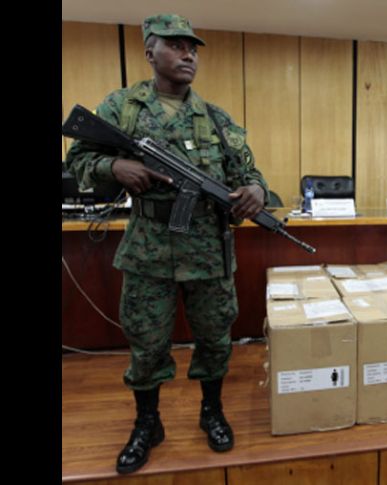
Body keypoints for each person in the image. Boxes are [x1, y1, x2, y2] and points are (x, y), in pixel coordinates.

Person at [64, 14, 269, 474]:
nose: (188, 54)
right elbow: (78, 159)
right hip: (149, 250)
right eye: (175, 46)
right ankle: (147, 424)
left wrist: (256, 190)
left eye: (192, 47)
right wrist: (115, 169)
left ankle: (211, 412)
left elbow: (248, 173)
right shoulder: (123, 108)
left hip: (209, 251)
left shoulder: (216, 118)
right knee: (147, 343)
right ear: (149, 51)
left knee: (216, 338)